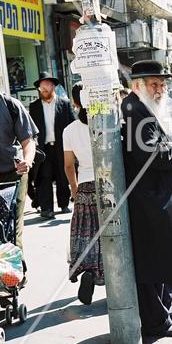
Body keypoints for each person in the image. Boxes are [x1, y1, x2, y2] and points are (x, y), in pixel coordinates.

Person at [121, 60, 172, 339]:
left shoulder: (143, 107)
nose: (159, 90)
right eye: (154, 85)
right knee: (154, 262)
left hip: (159, 195)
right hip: (148, 200)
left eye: (162, 85)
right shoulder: (133, 110)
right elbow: (149, 154)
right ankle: (157, 322)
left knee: (166, 258)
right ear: (138, 86)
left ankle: (165, 311)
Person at [0, 81, 38, 279]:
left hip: (15, 172)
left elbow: (28, 141)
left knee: (12, 222)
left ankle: (15, 271)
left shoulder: (10, 106)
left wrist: (27, 162)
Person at [63, 82, 104, 305]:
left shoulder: (68, 130)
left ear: (75, 102)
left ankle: (87, 270)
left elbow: (69, 166)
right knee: (108, 234)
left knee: (86, 234)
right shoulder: (106, 124)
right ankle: (105, 275)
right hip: (107, 183)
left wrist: (75, 190)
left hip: (85, 184)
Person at [29, 71, 75, 219]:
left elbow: (72, 124)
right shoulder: (34, 106)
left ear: (53, 86)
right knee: (44, 176)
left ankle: (64, 203)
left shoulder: (64, 104)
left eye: (46, 86)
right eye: (41, 87)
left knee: (62, 175)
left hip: (61, 146)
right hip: (43, 148)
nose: (44, 89)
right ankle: (46, 208)